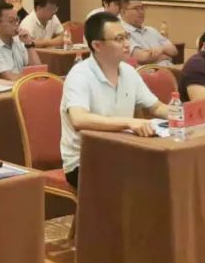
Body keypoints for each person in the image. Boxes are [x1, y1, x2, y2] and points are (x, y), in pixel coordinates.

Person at [60, 12, 170, 190]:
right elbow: (79, 119)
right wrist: (129, 122)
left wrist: (181, 114)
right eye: (119, 39)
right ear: (97, 45)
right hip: (85, 162)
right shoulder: (80, 75)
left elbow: (156, 107)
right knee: (146, 181)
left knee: (167, 170)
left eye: (127, 37)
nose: (127, 44)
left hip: (123, 153)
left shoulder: (128, 71)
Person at [0, 1, 41, 80]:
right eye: (11, 21)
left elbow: (39, 71)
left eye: (17, 20)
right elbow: (10, 78)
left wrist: (29, 44)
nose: (17, 24)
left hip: (23, 84)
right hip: (4, 87)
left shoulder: (19, 40)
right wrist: (33, 75)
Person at [119, 0, 177, 66]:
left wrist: (161, 49)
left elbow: (174, 50)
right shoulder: (122, 33)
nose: (141, 12)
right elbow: (142, 57)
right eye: (136, 9)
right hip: (150, 72)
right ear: (123, 12)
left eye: (142, 8)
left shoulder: (151, 30)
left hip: (169, 69)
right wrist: (163, 56)